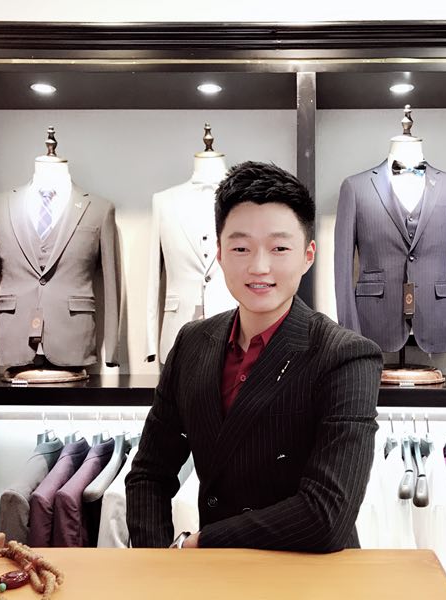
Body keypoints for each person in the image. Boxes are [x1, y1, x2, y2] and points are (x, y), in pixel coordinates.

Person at [126, 161, 382, 551]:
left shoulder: (345, 356)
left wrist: (201, 543)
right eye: (241, 248)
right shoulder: (192, 343)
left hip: (313, 572)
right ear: (220, 254)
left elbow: (326, 514)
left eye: (279, 248)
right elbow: (149, 473)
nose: (259, 267)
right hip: (217, 575)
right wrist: (158, 563)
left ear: (308, 255)